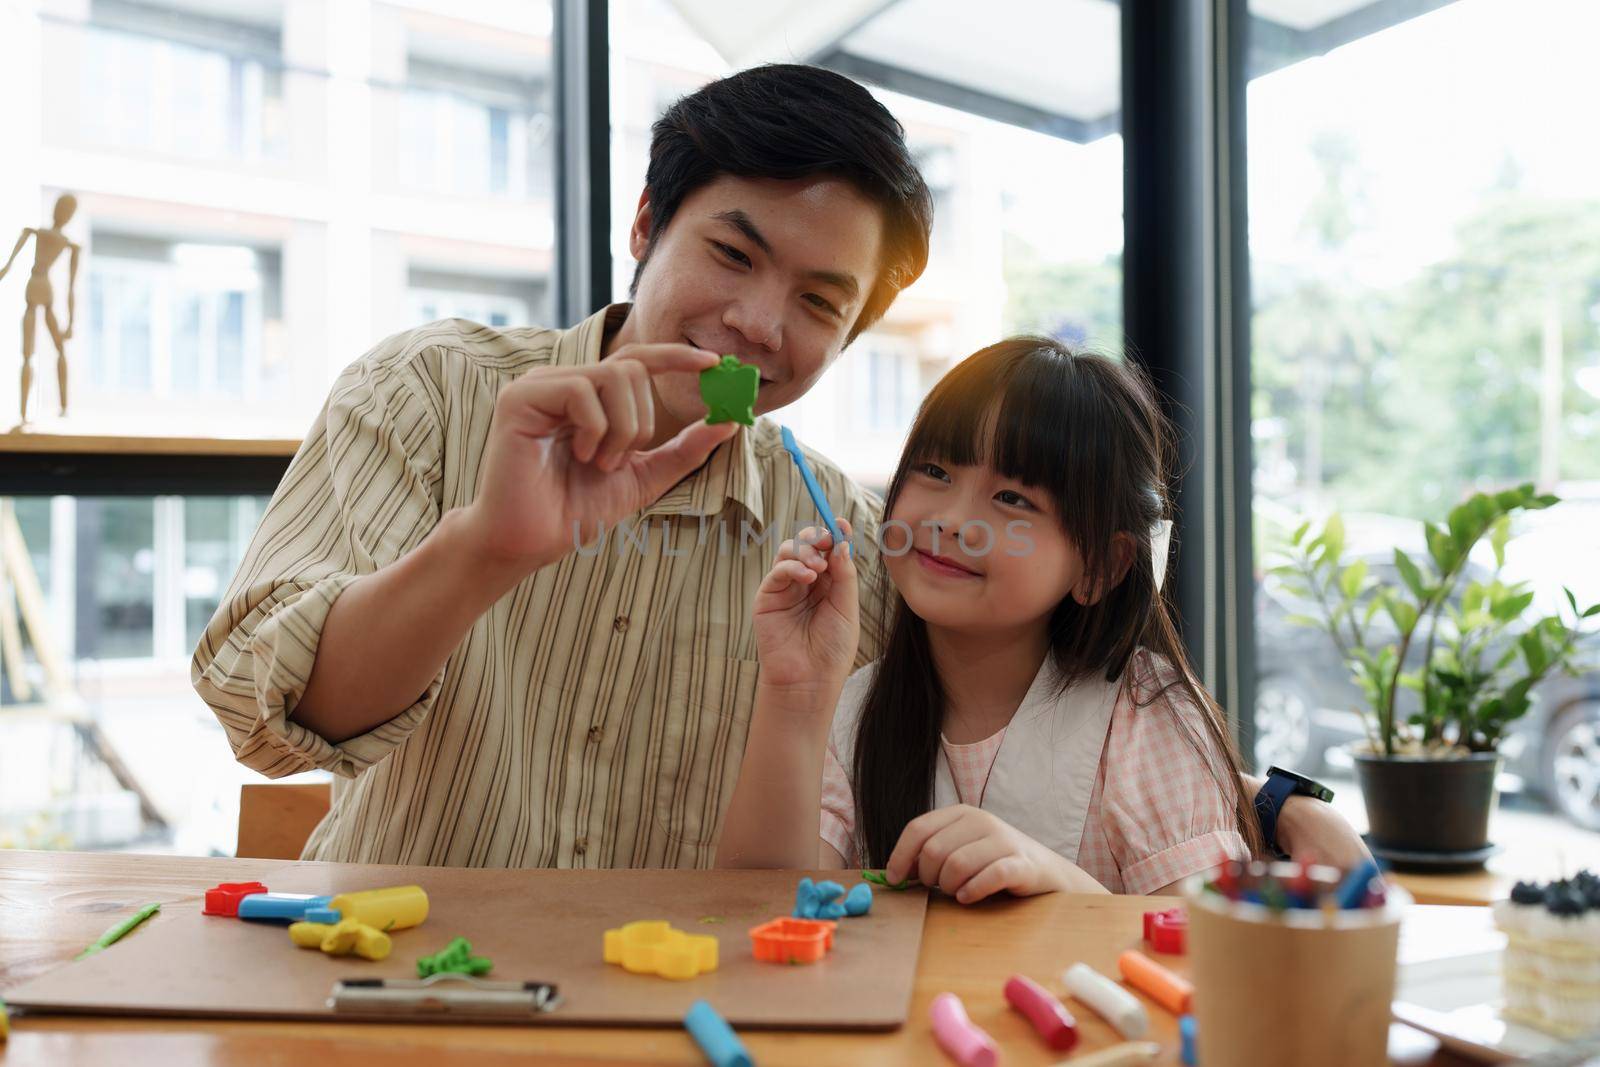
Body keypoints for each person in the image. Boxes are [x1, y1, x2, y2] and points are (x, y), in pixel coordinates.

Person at [194, 63, 1366, 874]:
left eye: (818, 301)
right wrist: (486, 550)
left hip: (693, 1009)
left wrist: (1270, 802)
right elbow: (265, 714)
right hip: (390, 989)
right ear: (648, 220)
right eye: (731, 251)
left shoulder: (843, 538)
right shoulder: (428, 391)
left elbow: (1061, 672)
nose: (758, 323)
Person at [717, 337, 1271, 897]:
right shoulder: (857, 708)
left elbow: (1200, 950)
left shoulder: (1145, 713)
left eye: (1012, 499)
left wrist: (1054, 879)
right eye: (934, 470)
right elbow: (759, 906)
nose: (953, 519)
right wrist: (796, 692)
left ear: (1102, 566)